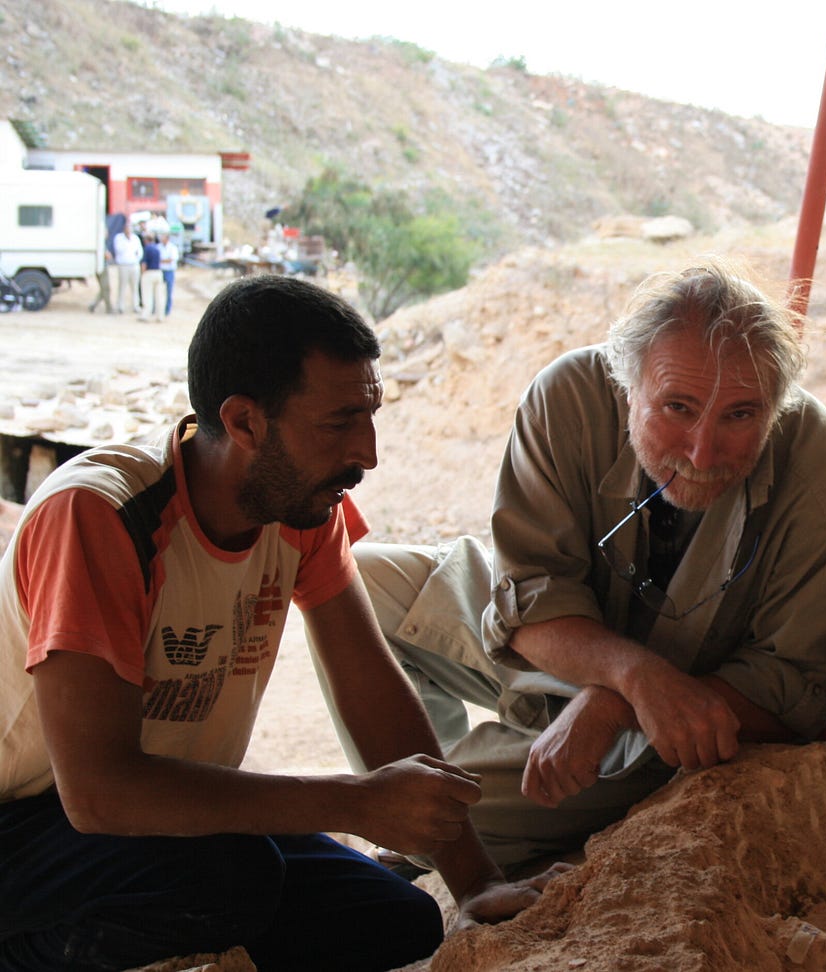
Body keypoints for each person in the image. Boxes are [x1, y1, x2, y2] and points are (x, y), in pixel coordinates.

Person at [0, 276, 565, 971]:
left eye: (370, 415)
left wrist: (475, 880)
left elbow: (370, 691)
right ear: (244, 422)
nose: (369, 452)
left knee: (397, 922)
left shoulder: (301, 507)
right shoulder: (100, 515)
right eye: (340, 422)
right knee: (227, 882)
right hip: (30, 818)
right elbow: (98, 794)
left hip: (156, 824)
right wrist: (352, 803)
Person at [321, 261, 826, 868]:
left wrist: (615, 704)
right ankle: (435, 782)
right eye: (678, 407)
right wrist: (630, 675)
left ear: (775, 407)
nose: (702, 452)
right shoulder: (568, 398)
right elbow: (530, 597)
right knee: (359, 585)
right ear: (627, 386)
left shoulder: (816, 463)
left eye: (741, 415)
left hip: (680, 715)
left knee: (448, 816)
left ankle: (450, 821)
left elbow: (793, 691)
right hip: (572, 653)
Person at [112, 220, 142, 315]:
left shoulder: (135, 238)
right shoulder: (119, 238)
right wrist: (127, 239)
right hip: (123, 265)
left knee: (135, 286)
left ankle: (135, 305)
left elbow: (139, 251)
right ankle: (120, 306)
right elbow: (119, 250)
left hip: (134, 264)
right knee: (122, 286)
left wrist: (137, 258)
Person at [139, 232, 164, 322]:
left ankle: (145, 315)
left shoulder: (147, 248)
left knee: (147, 295)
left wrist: (142, 274)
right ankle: (160, 316)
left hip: (149, 273)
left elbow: (144, 263)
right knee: (159, 296)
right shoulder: (157, 248)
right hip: (158, 272)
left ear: (146, 240)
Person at [159, 228, 181, 317]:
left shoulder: (172, 247)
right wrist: (165, 260)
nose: (161, 239)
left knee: (169, 291)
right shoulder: (159, 247)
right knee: (159, 291)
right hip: (161, 270)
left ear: (167, 239)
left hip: (169, 271)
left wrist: (162, 261)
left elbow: (171, 259)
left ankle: (167, 310)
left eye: (163, 237)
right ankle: (158, 309)